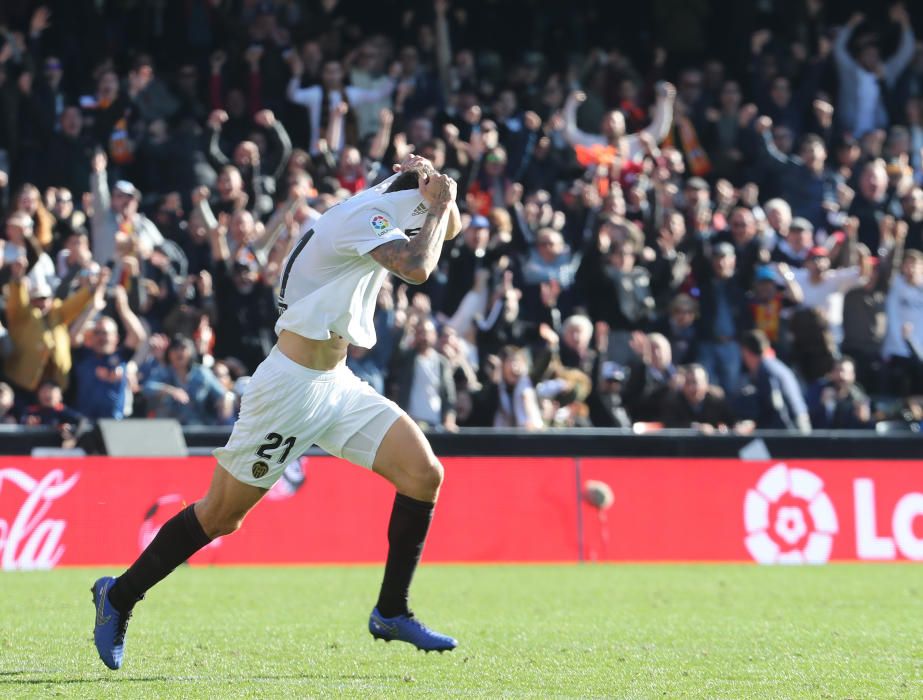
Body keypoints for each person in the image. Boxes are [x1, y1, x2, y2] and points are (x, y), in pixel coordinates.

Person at [90, 154, 463, 670]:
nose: (431, 216)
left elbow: (450, 224)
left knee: (424, 475)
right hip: (288, 389)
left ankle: (391, 611)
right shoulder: (367, 218)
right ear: (406, 200)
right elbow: (420, 267)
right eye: (422, 209)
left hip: (337, 383)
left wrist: (441, 197)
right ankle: (117, 597)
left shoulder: (381, 206)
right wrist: (437, 202)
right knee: (221, 516)